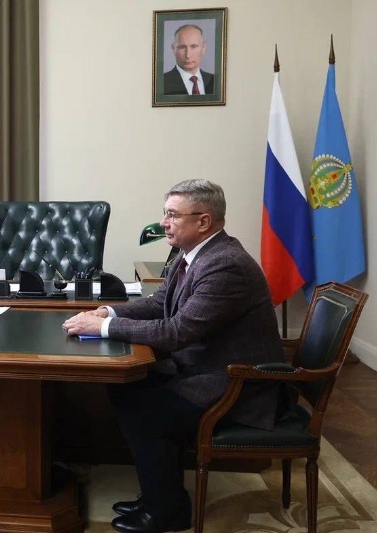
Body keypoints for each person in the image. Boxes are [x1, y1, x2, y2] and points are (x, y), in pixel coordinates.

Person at [62, 179, 286, 533]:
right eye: (165, 213)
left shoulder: (225, 265)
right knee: (125, 389)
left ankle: (167, 512)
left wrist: (103, 327)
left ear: (203, 221)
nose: (163, 223)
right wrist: (108, 312)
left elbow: (177, 332)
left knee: (146, 413)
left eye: (172, 215)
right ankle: (160, 495)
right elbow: (158, 304)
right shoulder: (192, 253)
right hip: (206, 367)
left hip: (237, 384)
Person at [161, 24, 215, 96]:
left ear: (204, 48)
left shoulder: (215, 81)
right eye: (182, 47)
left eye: (194, 46)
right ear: (173, 49)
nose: (188, 55)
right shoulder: (161, 83)